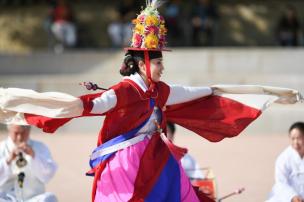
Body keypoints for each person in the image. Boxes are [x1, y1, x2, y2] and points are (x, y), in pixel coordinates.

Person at [0, 1, 302, 202]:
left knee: (179, 186)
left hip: (156, 155)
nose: (161, 67)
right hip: (125, 161)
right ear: (143, 63)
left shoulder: (160, 90)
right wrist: (72, 105)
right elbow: (95, 104)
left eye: (161, 63)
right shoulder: (124, 90)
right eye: (158, 62)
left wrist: (220, 90)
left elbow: (189, 91)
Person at [0, 124, 58, 202]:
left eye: (23, 133)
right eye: (16, 133)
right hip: (6, 198)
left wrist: (34, 156)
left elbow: (48, 175)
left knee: (50, 198)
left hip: (32, 198)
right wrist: (8, 161)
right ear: (9, 131)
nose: (19, 137)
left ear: (29, 130)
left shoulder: (40, 147)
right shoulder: (2, 147)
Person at [267, 122, 304, 202]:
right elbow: (281, 182)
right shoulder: (284, 158)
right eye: (293, 138)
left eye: (299, 138)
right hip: (286, 198)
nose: (296, 142)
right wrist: (293, 196)